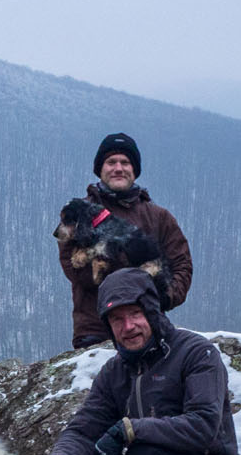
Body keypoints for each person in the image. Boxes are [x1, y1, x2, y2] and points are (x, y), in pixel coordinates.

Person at [39, 267, 239, 455]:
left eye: (135, 314)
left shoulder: (195, 353)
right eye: (117, 319)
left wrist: (132, 429)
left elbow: (202, 426)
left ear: (152, 311)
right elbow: (83, 429)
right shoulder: (114, 372)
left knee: (143, 453)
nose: (128, 327)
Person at [60, 133, 193, 350]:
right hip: (95, 330)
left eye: (125, 162)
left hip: (148, 326)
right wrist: (131, 277)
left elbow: (182, 266)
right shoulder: (73, 212)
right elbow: (70, 265)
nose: (118, 168)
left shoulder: (161, 217)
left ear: (135, 170)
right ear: (100, 169)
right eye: (111, 162)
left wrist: (162, 297)